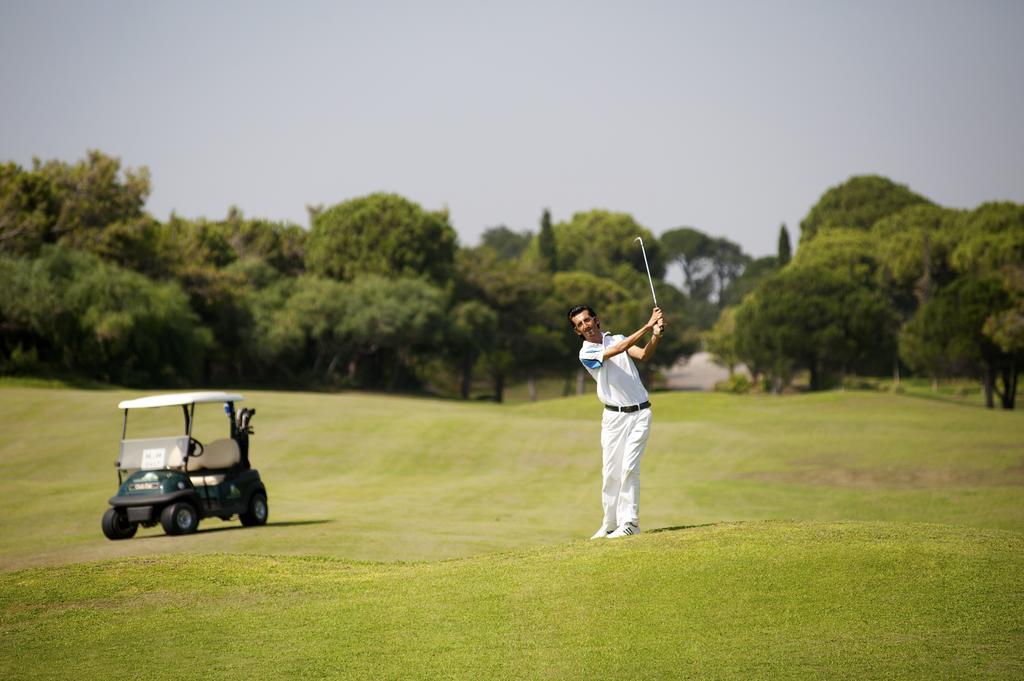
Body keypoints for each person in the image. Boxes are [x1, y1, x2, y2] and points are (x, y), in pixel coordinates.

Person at [568, 304, 665, 539]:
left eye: (587, 320)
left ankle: (630, 522)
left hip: (640, 414)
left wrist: (655, 336)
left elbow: (642, 354)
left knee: (629, 467)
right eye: (579, 325)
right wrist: (647, 324)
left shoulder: (617, 338)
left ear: (596, 320)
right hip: (613, 418)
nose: (585, 326)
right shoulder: (586, 354)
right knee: (610, 472)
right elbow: (620, 349)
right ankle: (610, 524)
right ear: (578, 331)